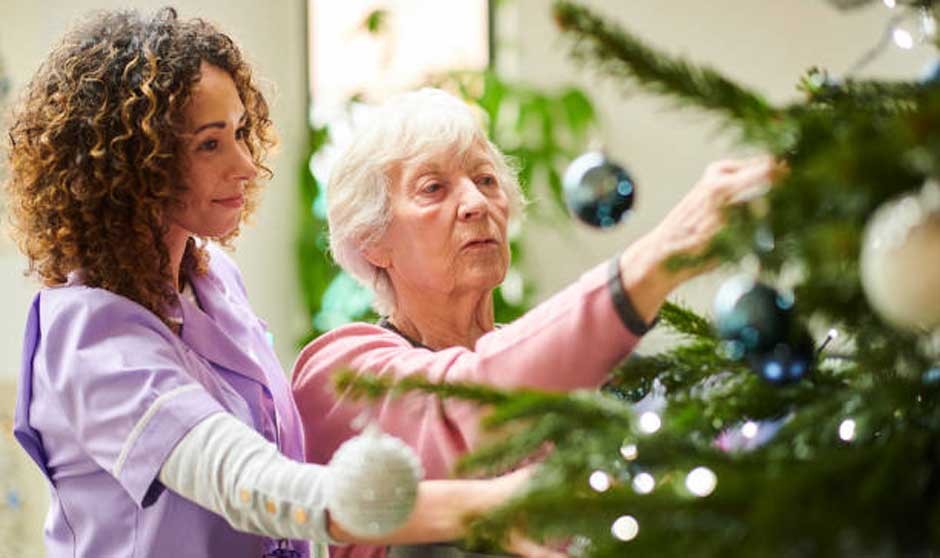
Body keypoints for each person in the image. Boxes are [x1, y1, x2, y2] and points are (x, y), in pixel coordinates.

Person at [5, 10, 560, 558]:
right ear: (133, 164)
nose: (247, 164)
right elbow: (250, 484)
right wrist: (480, 504)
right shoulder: (90, 335)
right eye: (210, 143)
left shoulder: (216, 283)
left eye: (240, 133)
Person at [291, 87, 783, 558]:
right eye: (433, 189)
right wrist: (657, 259)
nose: (477, 204)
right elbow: (473, 404)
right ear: (372, 240)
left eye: (486, 181)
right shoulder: (339, 372)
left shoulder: (561, 369)